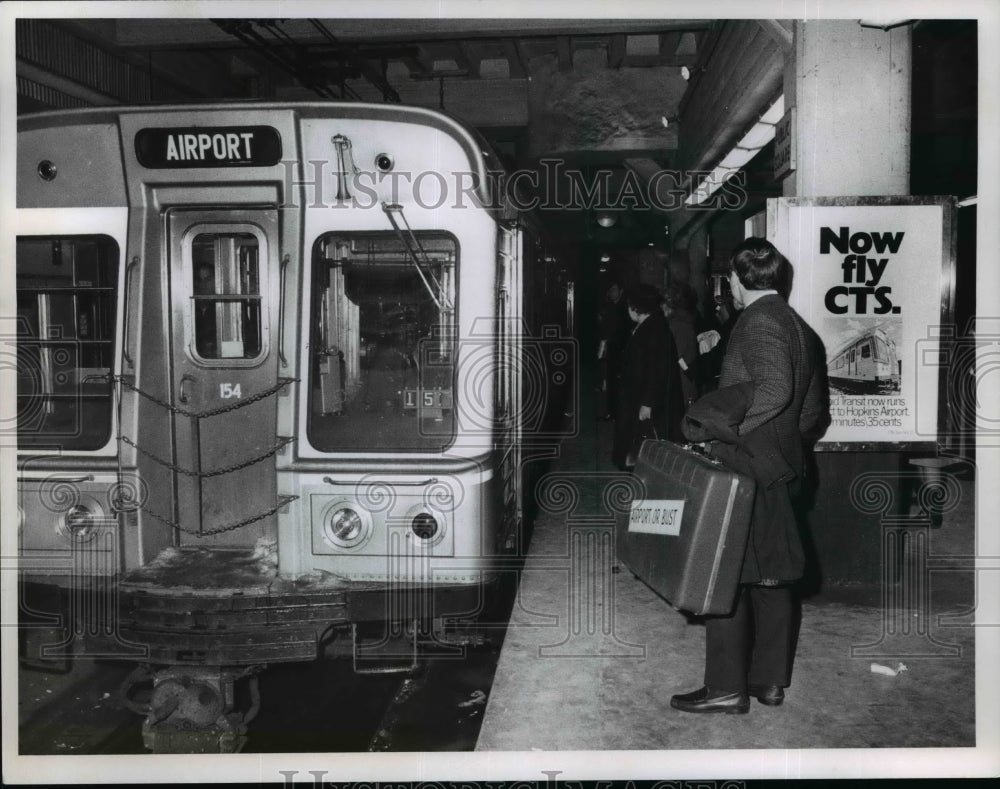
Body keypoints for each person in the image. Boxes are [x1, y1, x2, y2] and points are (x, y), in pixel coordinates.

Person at [670, 237, 829, 715]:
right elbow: (812, 409)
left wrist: (722, 430)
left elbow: (775, 390)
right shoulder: (798, 326)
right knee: (771, 575)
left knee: (726, 573)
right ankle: (768, 681)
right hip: (779, 467)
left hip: (748, 466)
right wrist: (782, 447)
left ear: (737, 282)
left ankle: (724, 687)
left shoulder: (756, 322)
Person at [611, 284, 683, 470]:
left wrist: (647, 403)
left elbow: (655, 370)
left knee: (645, 444)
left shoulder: (653, 330)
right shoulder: (651, 325)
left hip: (646, 399)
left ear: (637, 308)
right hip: (640, 395)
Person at [663, 282, 702, 407]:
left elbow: (677, 354)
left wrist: (688, 372)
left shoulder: (679, 324)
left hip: (681, 376)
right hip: (684, 373)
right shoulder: (686, 320)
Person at [596, 283, 632, 420]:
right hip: (612, 350)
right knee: (610, 381)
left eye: (614, 289)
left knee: (615, 382)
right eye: (610, 289)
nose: (611, 292)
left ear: (621, 291)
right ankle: (612, 411)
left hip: (618, 351)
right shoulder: (611, 307)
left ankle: (614, 412)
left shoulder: (622, 309)